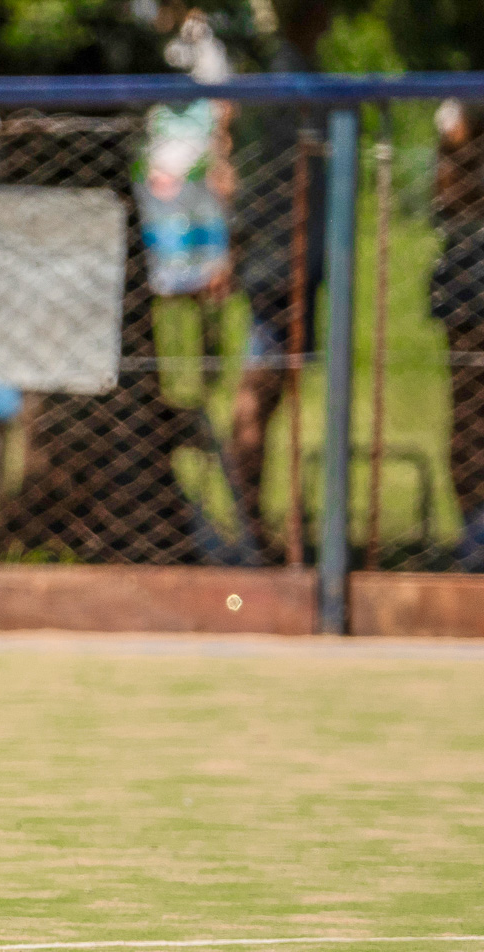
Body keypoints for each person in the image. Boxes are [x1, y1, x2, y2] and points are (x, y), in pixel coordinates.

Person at [226, 0, 333, 552]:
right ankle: (251, 523)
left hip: (297, 256)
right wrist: (246, 244)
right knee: (262, 386)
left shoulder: (303, 74)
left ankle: (261, 519)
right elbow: (258, 172)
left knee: (278, 385)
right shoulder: (284, 78)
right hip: (278, 259)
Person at [431, 100, 484, 570]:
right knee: (468, 410)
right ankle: (474, 536)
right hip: (470, 276)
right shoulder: (458, 111)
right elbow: (446, 193)